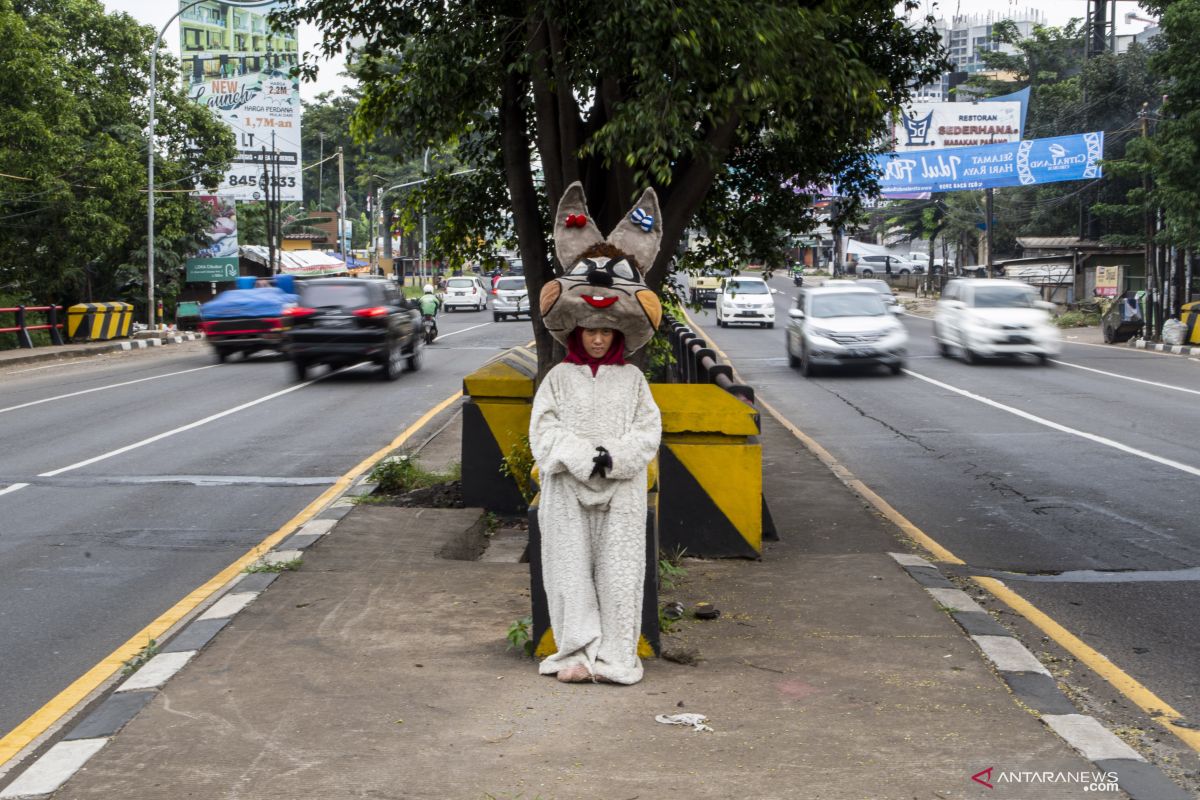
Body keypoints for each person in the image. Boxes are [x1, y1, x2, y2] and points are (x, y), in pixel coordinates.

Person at [530, 181, 664, 685]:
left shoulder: (632, 379)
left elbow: (648, 431)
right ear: (577, 330)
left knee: (621, 574)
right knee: (566, 573)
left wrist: (614, 458)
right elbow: (543, 430)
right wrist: (583, 456)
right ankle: (576, 653)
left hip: (622, 490)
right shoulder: (558, 378)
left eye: (607, 329)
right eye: (591, 328)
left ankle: (617, 656)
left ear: (619, 333)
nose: (599, 335)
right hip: (565, 487)